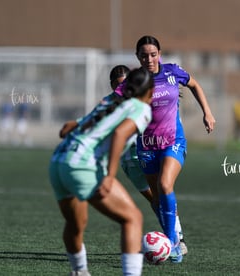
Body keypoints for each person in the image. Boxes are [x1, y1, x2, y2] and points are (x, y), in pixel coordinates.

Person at [59, 65, 188, 255]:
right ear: (114, 86)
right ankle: (172, 240)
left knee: (163, 191)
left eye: (129, 84)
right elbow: (104, 121)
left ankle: (176, 238)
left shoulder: (143, 104)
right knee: (153, 200)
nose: (128, 89)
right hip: (130, 161)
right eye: (120, 85)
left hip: (145, 151)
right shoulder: (120, 102)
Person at [117, 35, 216, 263]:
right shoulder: (135, 81)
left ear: (159, 54)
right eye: (144, 56)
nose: (149, 59)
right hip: (147, 148)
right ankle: (173, 243)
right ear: (138, 58)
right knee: (158, 199)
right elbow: (113, 99)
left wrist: (207, 112)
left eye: (153, 54)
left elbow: (194, 84)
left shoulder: (172, 72)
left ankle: (172, 244)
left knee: (165, 184)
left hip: (173, 142)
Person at [49, 67, 153, 276]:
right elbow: (119, 133)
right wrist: (110, 175)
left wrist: (73, 127)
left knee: (76, 222)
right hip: (82, 165)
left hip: (59, 161)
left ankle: (80, 272)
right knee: (132, 218)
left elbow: (69, 127)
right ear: (150, 92)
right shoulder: (141, 108)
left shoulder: (111, 102)